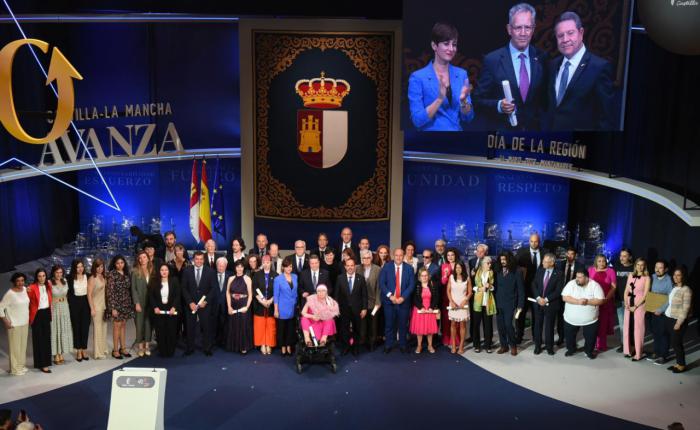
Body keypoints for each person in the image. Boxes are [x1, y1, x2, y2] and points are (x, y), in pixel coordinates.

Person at [473, 2, 547, 130]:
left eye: (527, 27)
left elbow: (545, 101)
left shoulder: (542, 57)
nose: (523, 33)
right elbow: (477, 100)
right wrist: (499, 105)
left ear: (533, 29)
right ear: (509, 29)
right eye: (518, 27)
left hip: (534, 136)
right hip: (503, 136)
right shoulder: (492, 60)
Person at [546, 11, 614, 130]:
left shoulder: (599, 68)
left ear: (581, 33)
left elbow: (606, 118)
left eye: (570, 33)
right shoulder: (552, 65)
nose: (565, 39)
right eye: (560, 35)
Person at [408, 22, 474, 131]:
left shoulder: (461, 74)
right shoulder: (417, 78)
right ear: (434, 45)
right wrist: (439, 99)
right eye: (446, 43)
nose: (451, 48)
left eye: (454, 44)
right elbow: (417, 121)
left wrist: (463, 101)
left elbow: (468, 118)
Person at [181, 251, 218, 356]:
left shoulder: (210, 271)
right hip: (190, 305)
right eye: (197, 259)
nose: (199, 261)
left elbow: (213, 288)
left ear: (204, 260)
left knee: (206, 327)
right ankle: (190, 348)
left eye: (201, 259)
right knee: (189, 327)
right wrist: (190, 302)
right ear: (193, 260)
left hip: (205, 305)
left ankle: (207, 348)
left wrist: (206, 301)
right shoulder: (187, 271)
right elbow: (183, 288)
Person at [562, 269, 605, 359]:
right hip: (570, 319)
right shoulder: (571, 284)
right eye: (576, 277)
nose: (577, 279)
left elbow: (601, 300)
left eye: (580, 277)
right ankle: (571, 349)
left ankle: (588, 351)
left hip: (590, 320)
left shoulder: (595, 285)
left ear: (586, 278)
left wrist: (587, 301)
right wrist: (578, 301)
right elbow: (564, 297)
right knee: (569, 336)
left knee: (590, 338)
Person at [379, 248, 415, 353]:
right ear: (393, 256)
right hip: (389, 302)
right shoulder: (386, 267)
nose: (398, 257)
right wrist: (390, 296)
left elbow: (411, 285)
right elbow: (382, 283)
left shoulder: (409, 268)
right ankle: (388, 345)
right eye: (396, 255)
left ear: (403, 256)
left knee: (403, 325)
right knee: (389, 325)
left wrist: (403, 297)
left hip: (403, 302)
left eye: (400, 255)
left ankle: (403, 345)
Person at [515, 232, 548, 343]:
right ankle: (519, 336)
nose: (534, 244)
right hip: (524, 289)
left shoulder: (545, 252)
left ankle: (536, 338)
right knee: (521, 313)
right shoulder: (521, 252)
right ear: (529, 241)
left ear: (539, 241)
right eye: (532, 241)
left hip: (539, 290)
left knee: (537, 315)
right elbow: (515, 267)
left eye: (536, 241)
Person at [531, 253, 564, 355]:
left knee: (549, 327)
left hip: (551, 304)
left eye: (545, 262)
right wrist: (537, 298)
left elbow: (558, 291)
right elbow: (534, 284)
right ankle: (537, 346)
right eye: (543, 261)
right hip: (538, 303)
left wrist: (545, 299)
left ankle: (549, 347)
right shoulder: (540, 270)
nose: (543, 263)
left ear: (552, 263)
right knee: (537, 326)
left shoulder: (559, 273)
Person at [335, 257, 368, 356]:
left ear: (355, 267)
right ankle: (346, 347)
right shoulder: (340, 278)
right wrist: (336, 309)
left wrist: (364, 308)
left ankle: (356, 347)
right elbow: (336, 295)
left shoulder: (361, 278)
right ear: (345, 267)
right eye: (348, 265)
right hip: (343, 309)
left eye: (352, 265)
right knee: (344, 329)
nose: (350, 267)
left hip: (357, 309)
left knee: (357, 329)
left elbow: (364, 295)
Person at [495, 251, 524, 356]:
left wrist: (520, 305)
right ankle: (504, 346)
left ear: (509, 260)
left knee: (508, 325)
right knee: (500, 326)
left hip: (510, 303)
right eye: (501, 259)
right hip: (498, 302)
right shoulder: (497, 270)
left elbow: (521, 290)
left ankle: (513, 345)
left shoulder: (517, 271)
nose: (503, 261)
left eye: (505, 259)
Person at [149, 263, 181, 357]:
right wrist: (155, 307)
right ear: (159, 271)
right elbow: (151, 296)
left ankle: (170, 351)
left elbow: (177, 295)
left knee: (171, 331)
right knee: (160, 331)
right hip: (158, 310)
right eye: (162, 270)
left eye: (166, 270)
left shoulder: (174, 280)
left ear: (169, 271)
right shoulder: (154, 281)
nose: (164, 272)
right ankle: (162, 351)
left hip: (171, 309)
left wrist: (174, 307)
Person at [0, 273, 30, 375]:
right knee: (15, 348)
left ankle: (21, 366)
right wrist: (6, 321)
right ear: (14, 282)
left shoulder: (25, 289)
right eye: (18, 281)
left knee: (22, 346)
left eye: (22, 280)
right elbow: (0, 307)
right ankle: (15, 369)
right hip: (14, 324)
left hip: (24, 322)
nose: (20, 283)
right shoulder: (10, 293)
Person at [664, 268, 693, 373]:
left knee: (676, 343)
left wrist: (679, 322)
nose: (675, 277)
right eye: (674, 275)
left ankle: (681, 365)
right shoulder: (674, 287)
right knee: (674, 342)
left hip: (678, 320)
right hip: (669, 318)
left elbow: (685, 308)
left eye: (678, 275)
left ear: (683, 276)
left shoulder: (687, 290)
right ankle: (678, 363)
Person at [106, 255, 134, 359]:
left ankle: (123, 348)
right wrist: (113, 308)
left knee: (123, 325)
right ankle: (115, 350)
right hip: (116, 304)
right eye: (118, 263)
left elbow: (128, 289)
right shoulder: (112, 274)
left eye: (122, 263)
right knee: (116, 326)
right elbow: (110, 292)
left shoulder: (127, 274)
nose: (120, 265)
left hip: (126, 303)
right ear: (114, 264)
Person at [623, 258, 651, 361]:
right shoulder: (630, 275)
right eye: (638, 264)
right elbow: (626, 290)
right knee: (628, 327)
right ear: (635, 265)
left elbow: (645, 295)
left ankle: (638, 353)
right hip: (628, 304)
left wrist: (636, 306)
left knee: (638, 329)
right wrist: (626, 303)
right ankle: (628, 350)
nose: (640, 267)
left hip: (639, 305)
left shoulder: (647, 278)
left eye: (642, 265)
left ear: (644, 266)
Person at [555, 246, 584, 346]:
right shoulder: (560, 264)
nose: (570, 256)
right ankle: (561, 337)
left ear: (575, 255)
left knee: (572, 318)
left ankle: (571, 339)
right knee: (560, 318)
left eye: (572, 254)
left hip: (573, 297)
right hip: (560, 295)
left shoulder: (580, 266)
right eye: (568, 253)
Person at [588, 255, 616, 352]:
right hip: (593, 301)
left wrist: (606, 299)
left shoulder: (610, 271)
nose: (601, 263)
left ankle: (601, 345)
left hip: (606, 302)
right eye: (599, 261)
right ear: (596, 261)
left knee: (602, 324)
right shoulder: (590, 270)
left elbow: (613, 287)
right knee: (592, 323)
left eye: (603, 261)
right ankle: (591, 344)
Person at [27, 268, 52, 373]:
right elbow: (26, 300)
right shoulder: (32, 288)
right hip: (37, 315)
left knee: (46, 339)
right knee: (38, 340)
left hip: (46, 313)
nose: (42, 278)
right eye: (39, 276)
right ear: (36, 277)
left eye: (43, 276)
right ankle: (42, 364)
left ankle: (44, 362)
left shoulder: (48, 286)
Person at [649, 260, 674, 364]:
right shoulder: (652, 277)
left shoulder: (669, 280)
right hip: (652, 309)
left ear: (666, 269)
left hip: (663, 312)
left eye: (660, 268)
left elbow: (670, 297)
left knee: (663, 333)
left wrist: (661, 310)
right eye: (656, 267)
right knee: (655, 332)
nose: (657, 270)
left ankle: (663, 355)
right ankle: (656, 352)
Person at [226, 261, 253, 354]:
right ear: (235, 268)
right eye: (238, 267)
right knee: (234, 324)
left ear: (244, 268)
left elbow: (250, 294)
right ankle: (235, 345)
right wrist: (229, 306)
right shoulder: (230, 278)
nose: (239, 269)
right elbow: (228, 293)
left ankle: (244, 346)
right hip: (233, 304)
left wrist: (247, 306)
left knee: (243, 325)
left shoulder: (247, 279)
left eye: (241, 267)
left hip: (243, 304)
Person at [410, 268, 439, 354]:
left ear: (428, 276)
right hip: (419, 309)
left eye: (426, 275)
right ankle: (419, 345)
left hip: (430, 309)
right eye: (422, 276)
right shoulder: (417, 285)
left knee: (430, 329)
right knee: (419, 329)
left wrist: (431, 307)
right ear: (419, 277)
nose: (424, 277)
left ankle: (430, 345)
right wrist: (420, 307)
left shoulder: (432, 284)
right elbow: (414, 298)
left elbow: (436, 297)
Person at [67, 258, 90, 362]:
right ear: (74, 268)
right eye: (77, 267)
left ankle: (84, 349)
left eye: (81, 266)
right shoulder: (69, 278)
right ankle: (78, 350)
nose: (80, 269)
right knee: (76, 327)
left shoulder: (88, 276)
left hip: (86, 303)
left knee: (85, 327)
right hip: (75, 304)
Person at [274, 257, 298, 356]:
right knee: (282, 329)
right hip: (282, 308)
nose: (289, 268)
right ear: (283, 267)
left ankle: (289, 346)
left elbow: (295, 292)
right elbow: (276, 295)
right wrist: (276, 310)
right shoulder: (278, 279)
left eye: (290, 266)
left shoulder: (295, 276)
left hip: (293, 307)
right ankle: (283, 347)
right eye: (287, 267)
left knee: (291, 329)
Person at [253, 255, 277, 355]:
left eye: (268, 262)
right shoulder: (257, 275)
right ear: (262, 263)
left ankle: (269, 344)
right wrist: (262, 301)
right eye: (264, 262)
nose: (266, 264)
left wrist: (270, 301)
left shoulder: (276, 275)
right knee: (260, 325)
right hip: (259, 304)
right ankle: (262, 343)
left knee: (270, 325)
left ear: (271, 262)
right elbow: (254, 289)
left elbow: (278, 291)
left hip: (271, 304)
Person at [49, 266, 72, 365]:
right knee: (55, 330)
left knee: (63, 329)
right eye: (57, 272)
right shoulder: (49, 283)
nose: (59, 274)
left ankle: (61, 352)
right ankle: (55, 354)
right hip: (54, 308)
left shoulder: (65, 281)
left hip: (64, 307)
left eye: (60, 272)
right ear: (53, 273)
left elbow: (66, 295)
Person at [131, 251, 153, 357]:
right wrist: (136, 303)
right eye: (140, 258)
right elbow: (133, 289)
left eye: (144, 257)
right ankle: (140, 347)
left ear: (148, 258)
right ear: (138, 260)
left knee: (148, 324)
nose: (143, 259)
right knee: (139, 324)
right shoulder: (135, 272)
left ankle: (147, 346)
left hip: (150, 302)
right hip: (139, 302)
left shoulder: (152, 270)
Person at [472, 257, 496, 353]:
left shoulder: (492, 273)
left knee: (488, 325)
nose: (490, 265)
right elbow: (472, 286)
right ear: (483, 264)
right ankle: (476, 345)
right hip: (478, 302)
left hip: (487, 302)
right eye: (488, 263)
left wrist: (490, 286)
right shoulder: (477, 273)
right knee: (476, 324)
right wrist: (479, 289)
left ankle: (488, 345)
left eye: (490, 263)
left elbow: (495, 287)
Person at [446, 261, 471, 354]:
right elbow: (448, 291)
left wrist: (465, 300)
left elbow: (470, 292)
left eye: (460, 267)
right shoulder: (451, 277)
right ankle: (453, 345)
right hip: (453, 304)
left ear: (463, 268)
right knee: (453, 325)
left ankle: (461, 346)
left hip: (463, 305)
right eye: (456, 268)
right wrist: (451, 302)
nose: (458, 269)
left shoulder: (467, 278)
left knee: (462, 325)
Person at [360, 249, 382, 351]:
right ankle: (363, 342)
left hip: (374, 303)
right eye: (364, 258)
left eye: (368, 258)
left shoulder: (377, 269)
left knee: (373, 325)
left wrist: (378, 302)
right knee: (362, 325)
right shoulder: (357, 268)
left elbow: (379, 288)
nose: (366, 260)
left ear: (371, 258)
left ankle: (372, 343)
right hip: (361, 304)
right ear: (361, 259)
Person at [613, 248, 634, 352]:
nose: (622, 258)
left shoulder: (635, 268)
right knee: (622, 324)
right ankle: (624, 344)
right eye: (621, 256)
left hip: (631, 301)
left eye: (624, 256)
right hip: (619, 300)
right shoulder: (616, 267)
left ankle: (632, 344)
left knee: (631, 324)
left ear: (630, 257)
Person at [87, 258, 108, 360]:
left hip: (104, 305)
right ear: (94, 267)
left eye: (101, 267)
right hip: (96, 306)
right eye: (98, 267)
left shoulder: (103, 277)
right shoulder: (92, 278)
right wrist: (92, 308)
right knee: (98, 329)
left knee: (104, 328)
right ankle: (98, 353)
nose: (100, 269)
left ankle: (103, 348)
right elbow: (89, 295)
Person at [468, 244, 489, 344]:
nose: (479, 253)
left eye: (482, 251)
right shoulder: (472, 261)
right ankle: (473, 337)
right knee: (474, 318)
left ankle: (487, 339)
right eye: (478, 251)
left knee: (486, 319)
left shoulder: (488, 262)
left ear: (486, 252)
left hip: (485, 294)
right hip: (474, 293)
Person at [439, 247, 460, 346]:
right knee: (446, 318)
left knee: (456, 318)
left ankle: (456, 339)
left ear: (455, 256)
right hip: (446, 296)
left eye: (452, 255)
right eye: (448, 255)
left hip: (457, 295)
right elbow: (443, 282)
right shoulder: (444, 266)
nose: (450, 257)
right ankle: (447, 338)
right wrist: (445, 276)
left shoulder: (459, 265)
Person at [214, 257, 232, 349]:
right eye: (219, 265)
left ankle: (225, 342)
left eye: (223, 266)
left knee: (225, 324)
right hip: (215, 305)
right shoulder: (211, 275)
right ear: (216, 266)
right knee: (215, 324)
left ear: (226, 266)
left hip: (226, 304)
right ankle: (216, 341)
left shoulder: (230, 276)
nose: (221, 267)